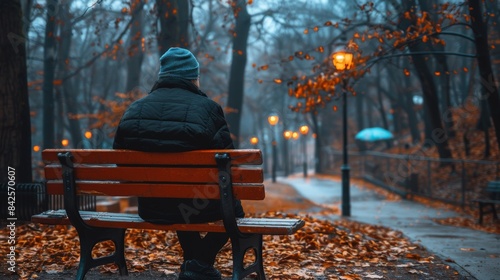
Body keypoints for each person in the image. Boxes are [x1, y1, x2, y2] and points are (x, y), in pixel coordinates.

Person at [113, 47, 244, 280]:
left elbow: (120, 163)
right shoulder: (208, 109)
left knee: (177, 200)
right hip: (194, 208)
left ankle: (195, 265)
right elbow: (228, 165)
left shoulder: (134, 109)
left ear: (162, 76)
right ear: (194, 78)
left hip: (151, 207)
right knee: (231, 207)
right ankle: (200, 263)